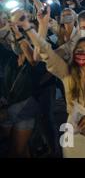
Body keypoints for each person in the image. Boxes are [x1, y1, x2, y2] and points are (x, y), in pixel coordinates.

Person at [15, 9, 85, 158]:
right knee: (70, 151)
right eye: (79, 51)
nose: (84, 54)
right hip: (72, 124)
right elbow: (45, 53)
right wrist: (33, 27)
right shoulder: (67, 72)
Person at [0, 20, 41, 157]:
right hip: (6, 109)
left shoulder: (37, 59)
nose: (19, 42)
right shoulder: (9, 56)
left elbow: (32, 59)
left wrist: (18, 33)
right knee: (16, 147)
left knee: (16, 151)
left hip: (25, 110)